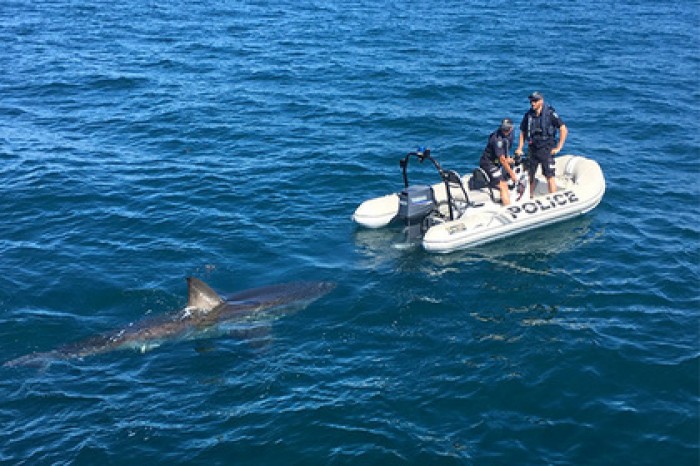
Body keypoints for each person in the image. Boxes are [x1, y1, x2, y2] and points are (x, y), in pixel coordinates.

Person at [514, 91, 568, 197]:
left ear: (541, 101)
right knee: (530, 174)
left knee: (549, 175)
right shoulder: (528, 115)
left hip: (546, 148)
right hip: (532, 147)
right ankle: (529, 196)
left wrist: (559, 147)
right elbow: (523, 132)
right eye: (531, 101)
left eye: (535, 101)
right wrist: (520, 147)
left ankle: (553, 196)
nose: (532, 103)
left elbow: (563, 129)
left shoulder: (550, 114)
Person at [479, 118, 518, 206]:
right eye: (503, 129)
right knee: (503, 186)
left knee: (512, 162)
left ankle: (504, 181)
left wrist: (509, 158)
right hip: (488, 163)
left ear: (511, 128)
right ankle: (508, 208)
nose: (505, 131)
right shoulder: (497, 139)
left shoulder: (511, 134)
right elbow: (502, 159)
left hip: (498, 161)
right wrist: (512, 174)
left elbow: (506, 149)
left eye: (507, 129)